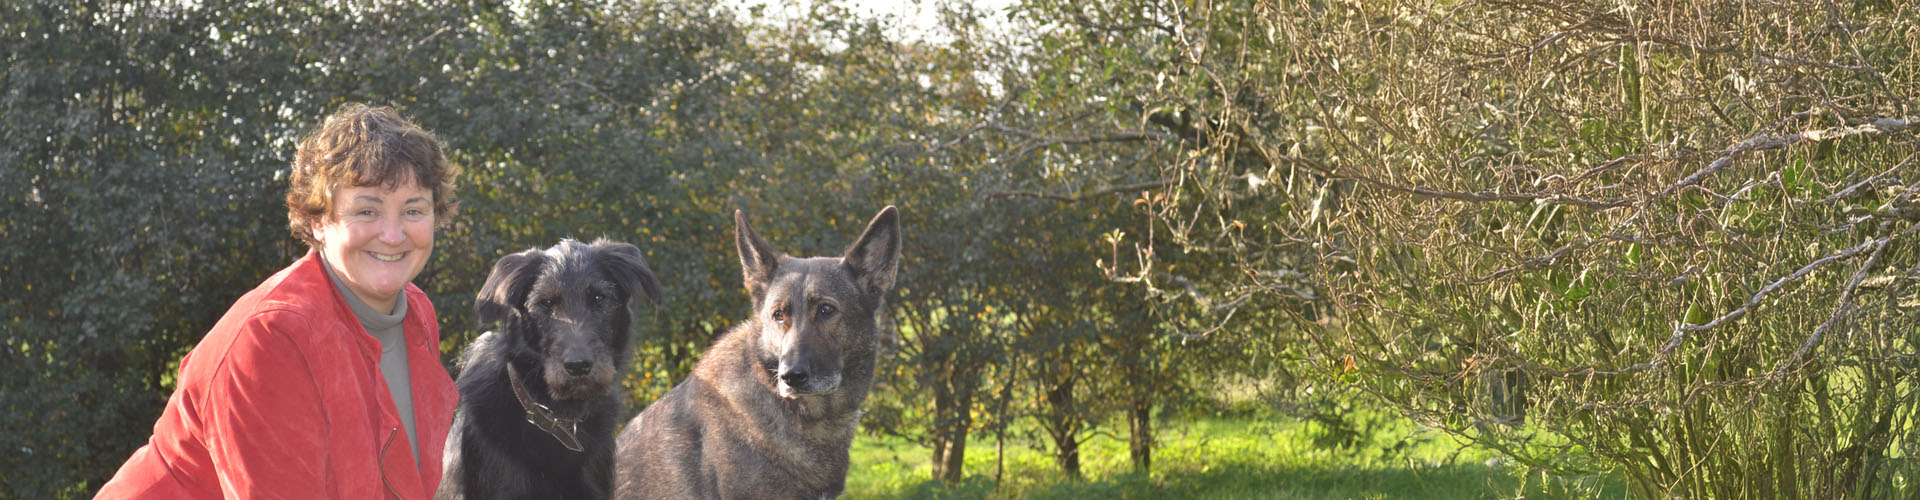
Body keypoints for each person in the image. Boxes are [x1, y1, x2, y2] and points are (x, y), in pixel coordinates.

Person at [97, 104, 462, 499]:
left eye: (413, 210)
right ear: (320, 221)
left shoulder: (415, 312)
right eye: (367, 210)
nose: (393, 234)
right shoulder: (271, 336)